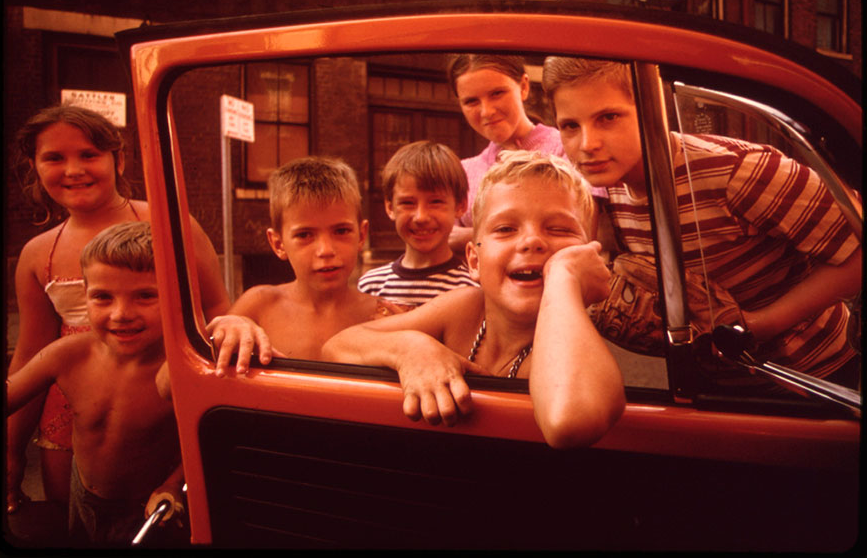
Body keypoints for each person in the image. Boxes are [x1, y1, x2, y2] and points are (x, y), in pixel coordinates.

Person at [542, 56, 862, 387]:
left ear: (652, 108)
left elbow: (858, 256)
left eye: (608, 117)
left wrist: (760, 325)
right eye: (570, 126)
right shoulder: (609, 190)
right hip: (716, 386)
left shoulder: (740, 171)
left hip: (817, 376)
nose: (587, 144)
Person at [6, 104, 229, 517]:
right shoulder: (38, 254)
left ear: (118, 159)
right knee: (73, 511)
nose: (73, 170)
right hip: (72, 398)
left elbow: (215, 306)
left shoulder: (167, 222)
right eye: (54, 158)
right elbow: (30, 352)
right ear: (34, 166)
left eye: (88, 155)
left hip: (156, 392)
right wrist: (12, 452)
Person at [322, 151, 626, 449]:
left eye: (559, 229)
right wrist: (410, 348)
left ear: (587, 258)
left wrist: (564, 277)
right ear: (474, 261)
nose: (532, 240)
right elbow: (336, 347)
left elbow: (569, 422)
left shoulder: (575, 341)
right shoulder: (464, 308)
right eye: (506, 228)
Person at [6, 222, 185, 547]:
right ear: (84, 297)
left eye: (145, 296)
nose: (121, 314)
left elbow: (205, 439)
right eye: (103, 297)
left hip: (152, 506)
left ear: (175, 298)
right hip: (84, 497)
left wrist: (174, 485)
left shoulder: (181, 368)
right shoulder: (67, 355)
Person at [205, 156, 410, 375]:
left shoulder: (381, 315)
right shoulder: (259, 306)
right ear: (278, 244)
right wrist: (227, 330)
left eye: (341, 231)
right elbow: (173, 380)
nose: (326, 250)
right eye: (304, 235)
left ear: (361, 235)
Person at [446, 54, 578, 252]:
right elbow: (447, 245)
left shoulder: (566, 148)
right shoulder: (463, 171)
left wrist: (473, 235)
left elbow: (578, 234)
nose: (487, 111)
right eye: (472, 101)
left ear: (524, 87)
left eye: (497, 93)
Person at [358, 141, 478, 305]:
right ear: (389, 207)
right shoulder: (371, 287)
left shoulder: (472, 290)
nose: (421, 217)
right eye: (408, 203)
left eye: (435, 202)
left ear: (460, 205)